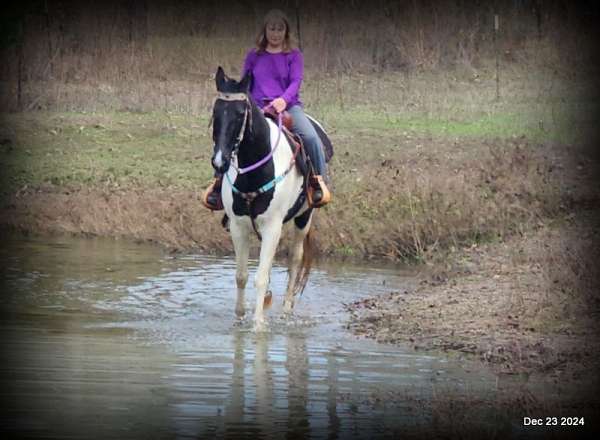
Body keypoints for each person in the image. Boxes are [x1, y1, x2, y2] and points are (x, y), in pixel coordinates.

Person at [203, 8, 330, 210]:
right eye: (272, 28)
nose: (276, 33)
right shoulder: (254, 55)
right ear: (265, 30)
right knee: (228, 135)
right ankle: (218, 186)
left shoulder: (294, 55)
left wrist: (282, 100)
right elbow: (246, 82)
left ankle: (318, 182)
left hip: (287, 107)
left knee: (311, 138)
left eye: (280, 29)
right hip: (257, 108)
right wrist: (252, 104)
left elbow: (296, 81)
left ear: (286, 31)